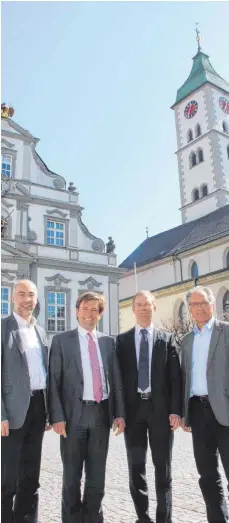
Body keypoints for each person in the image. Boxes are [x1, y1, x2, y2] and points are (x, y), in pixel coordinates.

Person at [48, 291, 125, 523]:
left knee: (96, 478)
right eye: (85, 308)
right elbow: (54, 381)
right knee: (71, 478)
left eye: (95, 310)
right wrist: (57, 417)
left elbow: (116, 380)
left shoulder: (108, 342)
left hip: (101, 415)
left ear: (100, 314)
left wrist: (119, 413)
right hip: (73, 418)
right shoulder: (62, 341)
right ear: (76, 311)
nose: (89, 314)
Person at [116, 290, 182, 523]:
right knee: (136, 467)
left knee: (163, 468)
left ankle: (164, 518)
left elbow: (176, 378)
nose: (143, 308)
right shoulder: (122, 341)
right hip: (133, 414)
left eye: (148, 304)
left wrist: (175, 410)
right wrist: (119, 413)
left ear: (154, 308)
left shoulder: (167, 338)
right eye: (139, 304)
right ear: (133, 309)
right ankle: (142, 517)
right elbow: (118, 381)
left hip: (161, 412)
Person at [1, 279, 49, 523]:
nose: (26, 299)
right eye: (21, 294)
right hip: (12, 411)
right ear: (12, 297)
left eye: (31, 294)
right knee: (7, 478)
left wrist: (50, 411)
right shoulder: (2, 327)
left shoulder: (40, 331)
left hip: (38, 408)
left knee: (31, 476)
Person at [181, 285, 229, 523]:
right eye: (194, 304)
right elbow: (185, 377)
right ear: (189, 309)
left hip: (226, 412)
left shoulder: (226, 332)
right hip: (198, 413)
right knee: (208, 476)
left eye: (203, 303)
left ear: (212, 304)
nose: (198, 308)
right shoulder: (186, 340)